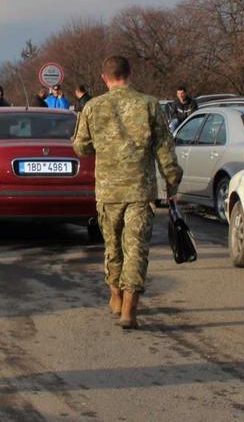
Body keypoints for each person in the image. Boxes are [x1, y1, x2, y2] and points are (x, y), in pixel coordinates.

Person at [72, 56, 183, 330]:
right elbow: (164, 148)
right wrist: (172, 179)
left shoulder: (92, 107)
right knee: (136, 250)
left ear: (104, 78)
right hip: (140, 191)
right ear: (129, 73)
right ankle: (130, 309)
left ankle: (115, 295)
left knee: (112, 246)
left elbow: (81, 147)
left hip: (108, 192)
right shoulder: (149, 104)